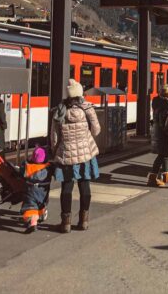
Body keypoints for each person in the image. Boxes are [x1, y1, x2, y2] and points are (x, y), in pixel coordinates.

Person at [51, 79, 101, 233]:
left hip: (66, 154)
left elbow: (54, 136)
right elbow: (97, 130)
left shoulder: (60, 109)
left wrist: (55, 150)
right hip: (85, 154)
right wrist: (87, 138)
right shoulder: (87, 109)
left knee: (67, 186)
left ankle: (65, 222)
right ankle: (83, 221)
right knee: (84, 185)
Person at [148, 85, 168, 187]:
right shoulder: (165, 104)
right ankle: (152, 178)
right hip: (163, 132)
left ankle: (166, 177)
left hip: (159, 131)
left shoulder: (157, 101)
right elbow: (163, 119)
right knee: (162, 155)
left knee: (165, 154)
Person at [20, 146, 51, 234]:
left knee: (31, 207)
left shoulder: (28, 166)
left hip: (30, 191)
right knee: (41, 204)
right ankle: (41, 213)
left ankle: (33, 223)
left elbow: (21, 172)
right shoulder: (48, 167)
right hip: (43, 191)